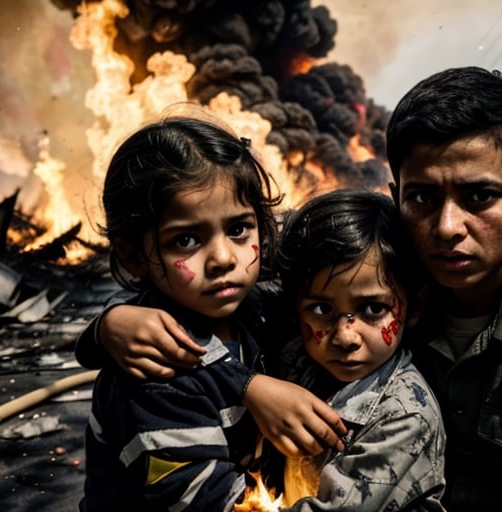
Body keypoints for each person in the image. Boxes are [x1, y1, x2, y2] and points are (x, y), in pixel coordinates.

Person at [77, 67, 502, 510]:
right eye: (424, 198)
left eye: (480, 197)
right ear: (396, 197)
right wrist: (109, 326)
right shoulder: (374, 290)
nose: (449, 227)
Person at [78, 114, 326, 512]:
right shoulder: (151, 377)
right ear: (132, 255)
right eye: (187, 240)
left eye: (239, 229)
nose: (223, 259)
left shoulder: (259, 308)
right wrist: (251, 386)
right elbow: (205, 502)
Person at [268, 188, 446, 511]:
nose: (345, 337)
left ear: (414, 307)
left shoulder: (404, 415)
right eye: (321, 310)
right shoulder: (296, 359)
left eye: (373, 310)